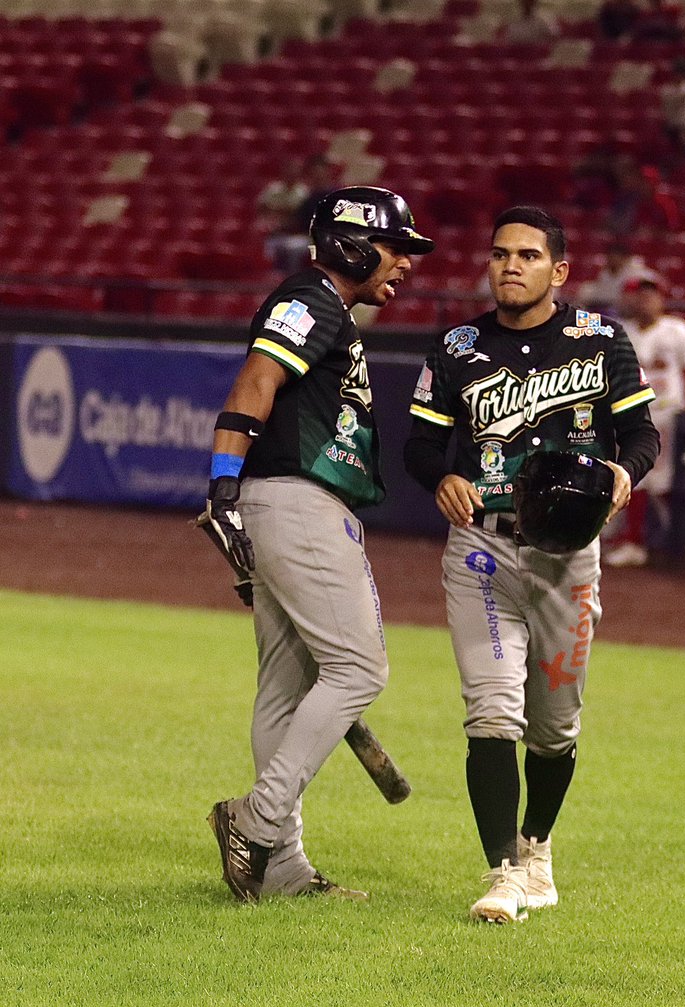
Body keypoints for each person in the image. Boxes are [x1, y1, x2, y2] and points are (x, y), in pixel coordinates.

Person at [403, 206, 660, 923]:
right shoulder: (457, 347)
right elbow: (420, 446)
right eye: (500, 254)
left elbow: (642, 433)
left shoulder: (601, 341)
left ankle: (537, 847)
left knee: (555, 727)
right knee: (492, 710)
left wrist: (624, 473)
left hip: (568, 555)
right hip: (481, 548)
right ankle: (503, 873)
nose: (510, 265)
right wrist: (440, 479)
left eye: (527, 255)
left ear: (560, 270)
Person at [204, 186, 434, 903]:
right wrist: (219, 483)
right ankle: (257, 819)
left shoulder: (324, 304)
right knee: (358, 671)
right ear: (354, 245)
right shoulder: (311, 298)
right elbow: (258, 378)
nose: (405, 264)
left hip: (287, 500)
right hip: (299, 501)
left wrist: (234, 493)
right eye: (397, 248)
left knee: (286, 687)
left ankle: (280, 871)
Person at [608, 276, 685, 566]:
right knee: (637, 477)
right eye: (641, 296)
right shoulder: (626, 332)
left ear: (662, 300)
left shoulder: (676, 329)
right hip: (637, 414)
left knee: (664, 481)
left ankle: (673, 543)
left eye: (652, 296)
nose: (646, 301)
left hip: (670, 413)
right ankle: (637, 541)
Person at [259, 153, 337, 274]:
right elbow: (300, 220)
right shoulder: (310, 196)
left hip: (325, 238)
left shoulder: (335, 195)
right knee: (277, 245)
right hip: (305, 236)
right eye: (314, 172)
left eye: (320, 171)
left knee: (293, 249)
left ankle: (293, 280)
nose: (317, 175)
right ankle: (273, 278)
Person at [575, 239, 659, 315]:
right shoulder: (605, 273)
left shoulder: (639, 273)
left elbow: (655, 287)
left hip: (632, 315)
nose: (613, 259)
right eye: (610, 256)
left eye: (616, 256)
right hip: (609, 309)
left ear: (625, 258)